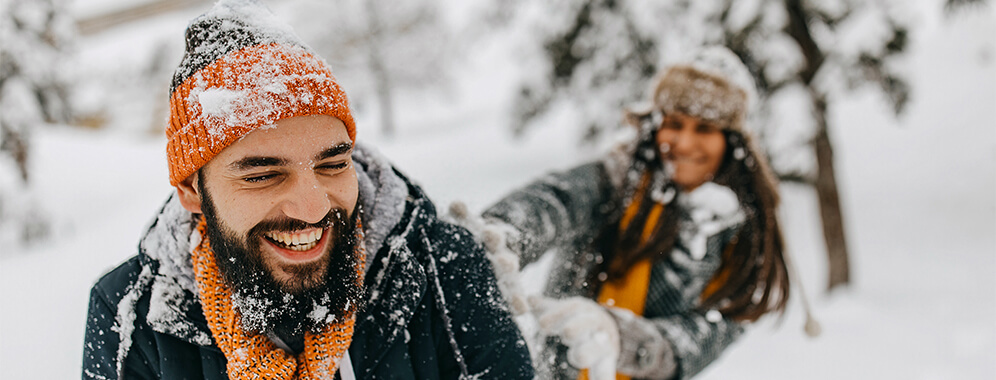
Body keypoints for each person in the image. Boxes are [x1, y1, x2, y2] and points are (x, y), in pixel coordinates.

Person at [81, 1, 533, 379]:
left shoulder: (440, 267)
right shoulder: (131, 315)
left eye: (333, 164)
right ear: (191, 191)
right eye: (262, 174)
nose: (314, 206)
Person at [479, 47, 790, 380]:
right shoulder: (617, 181)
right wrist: (504, 233)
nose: (684, 142)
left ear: (732, 140)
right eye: (674, 123)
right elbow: (555, 200)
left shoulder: (746, 233)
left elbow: (708, 334)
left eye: (704, 128)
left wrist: (622, 339)